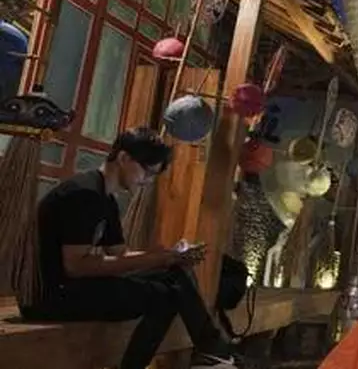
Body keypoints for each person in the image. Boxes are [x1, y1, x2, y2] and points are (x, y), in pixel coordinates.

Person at [20, 128, 238, 369]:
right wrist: (158, 259)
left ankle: (211, 350)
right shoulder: (84, 194)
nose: (148, 180)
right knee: (163, 296)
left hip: (70, 287)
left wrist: (168, 257)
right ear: (124, 158)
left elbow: (120, 255)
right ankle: (209, 349)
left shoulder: (107, 199)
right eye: (147, 171)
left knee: (174, 273)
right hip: (49, 295)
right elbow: (76, 266)